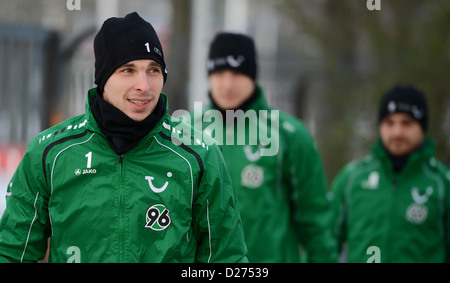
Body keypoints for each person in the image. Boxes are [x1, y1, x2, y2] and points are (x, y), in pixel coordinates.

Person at [0, 12, 248, 263]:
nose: (144, 85)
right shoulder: (49, 153)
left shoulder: (198, 154)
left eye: (153, 70)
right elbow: (12, 253)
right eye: (128, 70)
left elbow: (227, 259)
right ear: (103, 79)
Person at [189, 32, 338, 262]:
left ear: (253, 76)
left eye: (237, 73)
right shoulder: (186, 132)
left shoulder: (289, 135)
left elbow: (315, 222)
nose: (228, 84)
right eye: (220, 73)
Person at [329, 85, 450, 263]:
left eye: (406, 123)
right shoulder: (352, 178)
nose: (397, 132)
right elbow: (323, 244)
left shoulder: (441, 183)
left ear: (422, 127)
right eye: (389, 123)